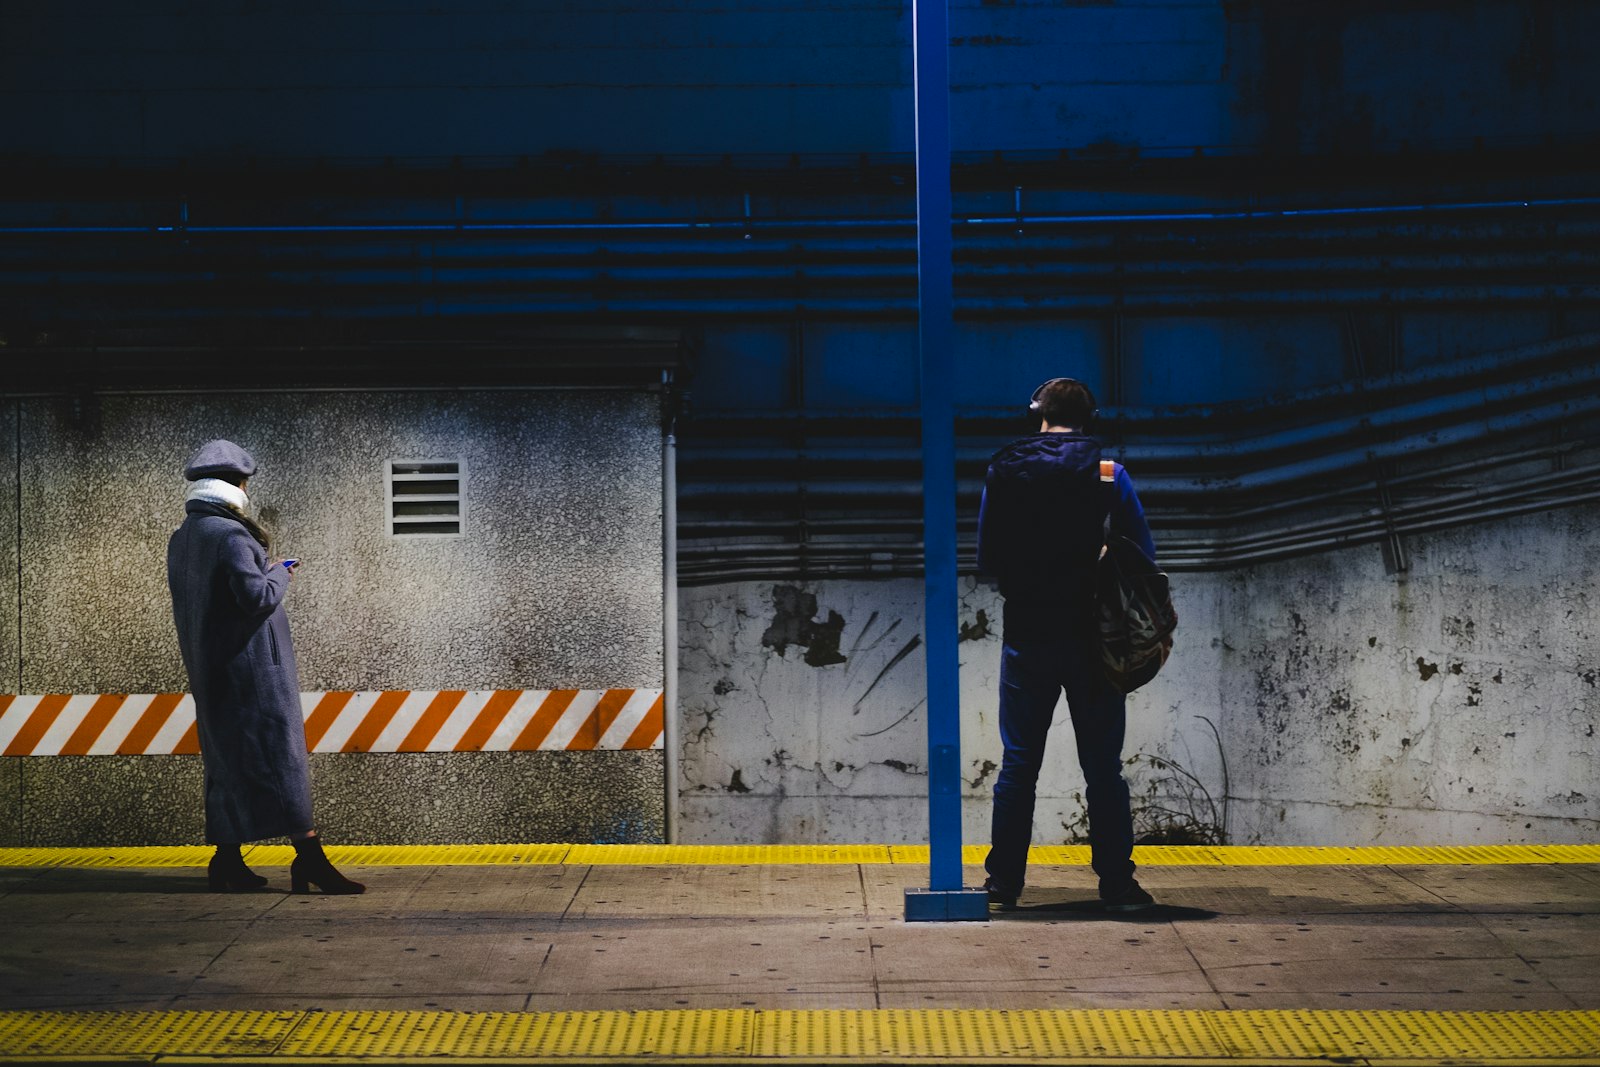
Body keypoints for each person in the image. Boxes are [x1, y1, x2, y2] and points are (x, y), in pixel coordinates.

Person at [976, 378, 1156, 912]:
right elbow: (1141, 555)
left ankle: (1003, 885)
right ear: (1090, 418)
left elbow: (988, 556)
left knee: (1018, 764)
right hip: (1095, 639)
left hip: (1028, 635)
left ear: (1037, 415)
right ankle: (1117, 886)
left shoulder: (1002, 470)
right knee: (1102, 767)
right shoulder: (1108, 473)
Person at [166, 438, 364, 895]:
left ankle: (227, 861)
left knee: (225, 761)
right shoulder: (232, 535)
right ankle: (309, 858)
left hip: (212, 667)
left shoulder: (185, 537)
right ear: (236, 485)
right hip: (253, 672)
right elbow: (256, 598)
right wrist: (279, 572)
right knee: (281, 756)